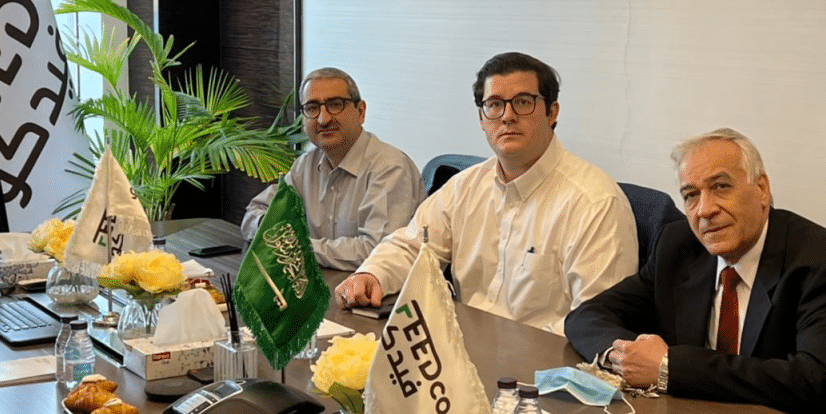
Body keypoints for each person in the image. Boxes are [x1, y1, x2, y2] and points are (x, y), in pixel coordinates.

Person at [564, 127, 826, 414]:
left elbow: (811, 382)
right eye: (691, 195)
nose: (705, 210)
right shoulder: (679, 246)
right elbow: (586, 316)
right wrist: (625, 357)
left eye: (721, 187)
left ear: (761, 189)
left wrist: (669, 367)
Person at [335, 51, 638, 334]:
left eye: (522, 102)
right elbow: (412, 246)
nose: (507, 116)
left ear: (551, 112)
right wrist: (372, 275)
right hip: (460, 354)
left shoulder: (595, 203)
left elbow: (593, 323)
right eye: (494, 104)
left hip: (543, 371)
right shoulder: (464, 187)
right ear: (482, 118)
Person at [241, 67, 425, 270]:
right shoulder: (305, 166)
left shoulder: (390, 168)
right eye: (312, 108)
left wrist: (296, 247)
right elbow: (255, 212)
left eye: (335, 105)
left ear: (360, 112)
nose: (323, 119)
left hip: (381, 296)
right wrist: (267, 230)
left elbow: (377, 251)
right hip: (319, 286)